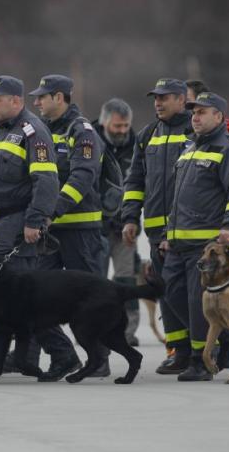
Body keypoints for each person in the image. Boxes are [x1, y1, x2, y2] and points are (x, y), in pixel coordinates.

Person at [0, 75, 80, 384]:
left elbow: (47, 182)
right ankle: (63, 354)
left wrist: (34, 221)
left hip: (16, 225)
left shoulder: (33, 132)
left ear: (16, 101)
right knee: (22, 302)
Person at [159, 92, 229, 381]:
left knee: (195, 302)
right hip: (179, 242)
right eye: (193, 112)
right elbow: (179, 199)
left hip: (208, 244)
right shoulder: (189, 148)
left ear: (219, 117)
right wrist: (168, 233)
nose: (195, 117)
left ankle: (202, 361)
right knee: (172, 295)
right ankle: (224, 340)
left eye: (202, 112)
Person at [30, 74, 107, 374]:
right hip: (50, 230)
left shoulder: (82, 131)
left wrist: (53, 208)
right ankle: (54, 355)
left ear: (59, 98)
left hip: (80, 231)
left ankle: (98, 360)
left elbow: (83, 177)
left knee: (89, 298)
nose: (36, 102)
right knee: (37, 294)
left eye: (42, 96)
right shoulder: (41, 131)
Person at [120, 78, 193, 374]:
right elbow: (135, 179)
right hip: (155, 231)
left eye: (165, 97)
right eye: (156, 98)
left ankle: (208, 345)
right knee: (165, 293)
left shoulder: (195, 131)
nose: (158, 103)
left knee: (190, 294)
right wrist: (129, 216)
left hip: (188, 232)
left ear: (182, 99)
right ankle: (178, 351)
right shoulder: (148, 134)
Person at [94, 98, 140, 346]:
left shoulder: (138, 145)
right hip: (96, 226)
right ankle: (95, 328)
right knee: (97, 282)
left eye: (126, 126)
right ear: (104, 123)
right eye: (117, 126)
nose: (123, 131)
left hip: (126, 227)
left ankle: (127, 332)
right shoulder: (89, 139)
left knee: (126, 281)